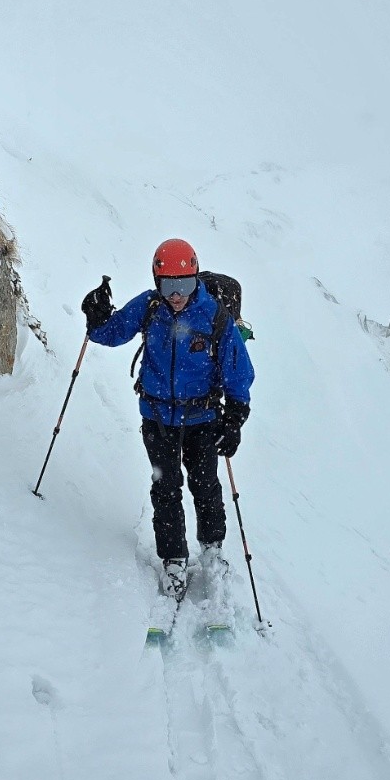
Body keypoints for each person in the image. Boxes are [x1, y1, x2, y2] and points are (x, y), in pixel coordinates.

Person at [82, 238, 254, 597]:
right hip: (158, 418)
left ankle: (212, 550)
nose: (177, 295)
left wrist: (235, 417)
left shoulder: (214, 317)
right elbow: (111, 333)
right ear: (157, 283)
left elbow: (239, 370)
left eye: (185, 285)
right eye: (170, 286)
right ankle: (174, 559)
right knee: (166, 488)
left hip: (202, 419)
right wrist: (97, 317)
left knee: (205, 486)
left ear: (195, 279)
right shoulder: (148, 307)